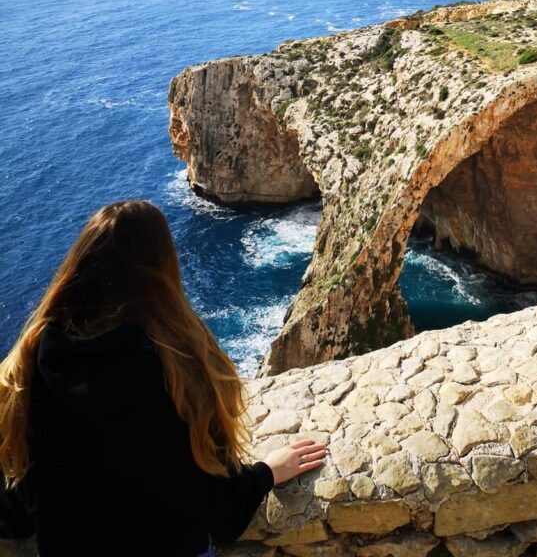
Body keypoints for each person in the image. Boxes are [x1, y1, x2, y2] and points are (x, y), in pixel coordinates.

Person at [0, 200, 327, 556]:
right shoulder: (177, 365)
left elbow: (18, 506)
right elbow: (222, 516)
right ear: (162, 269)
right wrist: (266, 473)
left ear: (78, 267)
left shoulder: (32, 359)